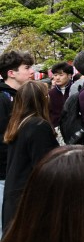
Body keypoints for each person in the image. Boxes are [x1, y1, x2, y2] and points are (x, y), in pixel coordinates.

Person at [2, 81, 59, 230]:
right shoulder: (38, 126)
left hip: (15, 193)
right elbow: (45, 165)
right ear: (42, 99)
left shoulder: (17, 123)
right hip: (29, 197)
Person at [0, 49, 36, 203]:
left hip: (20, 171)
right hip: (5, 174)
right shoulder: (3, 98)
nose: (32, 72)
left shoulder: (22, 96)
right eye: (27, 68)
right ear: (11, 73)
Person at [47, 62, 74, 129]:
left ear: (69, 75)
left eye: (61, 75)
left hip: (74, 127)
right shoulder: (50, 93)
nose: (57, 78)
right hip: (56, 128)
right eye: (55, 75)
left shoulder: (76, 90)